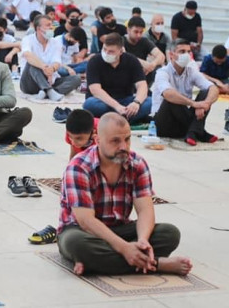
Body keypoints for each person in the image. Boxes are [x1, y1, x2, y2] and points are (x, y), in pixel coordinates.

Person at [57, 113, 192, 276]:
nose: (123, 146)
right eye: (115, 141)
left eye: (127, 139)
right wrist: (124, 248)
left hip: (120, 228)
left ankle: (97, 262)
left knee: (169, 233)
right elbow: (86, 221)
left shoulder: (137, 164)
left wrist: (142, 241)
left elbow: (145, 210)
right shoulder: (79, 167)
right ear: (98, 140)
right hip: (82, 231)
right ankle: (157, 264)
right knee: (76, 244)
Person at [152, 39, 219, 144]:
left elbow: (213, 88)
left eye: (188, 51)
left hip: (182, 121)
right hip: (165, 123)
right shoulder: (162, 72)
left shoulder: (191, 71)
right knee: (172, 98)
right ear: (171, 55)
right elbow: (167, 94)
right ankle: (199, 132)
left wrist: (205, 103)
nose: (186, 55)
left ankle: (193, 132)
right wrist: (194, 104)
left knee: (205, 92)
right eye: (182, 52)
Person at [83, 32, 152, 123]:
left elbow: (142, 85)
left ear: (121, 51)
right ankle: (126, 118)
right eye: (104, 49)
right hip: (103, 101)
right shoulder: (94, 61)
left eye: (111, 51)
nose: (106, 53)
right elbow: (95, 90)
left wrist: (136, 103)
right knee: (90, 104)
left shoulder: (132, 60)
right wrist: (117, 107)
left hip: (125, 100)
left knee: (150, 102)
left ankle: (115, 118)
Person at [19, 15, 81, 101]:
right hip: (30, 83)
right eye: (48, 25)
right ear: (38, 28)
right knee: (32, 63)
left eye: (51, 25)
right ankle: (49, 91)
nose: (51, 27)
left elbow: (57, 62)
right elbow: (28, 55)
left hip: (51, 80)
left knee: (76, 79)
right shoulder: (28, 39)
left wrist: (51, 69)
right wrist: (43, 67)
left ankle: (47, 92)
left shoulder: (56, 42)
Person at [123, 17, 165, 86]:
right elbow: (124, 55)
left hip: (141, 77)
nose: (139, 35)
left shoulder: (144, 41)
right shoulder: (121, 41)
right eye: (136, 32)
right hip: (125, 76)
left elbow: (161, 56)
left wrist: (152, 65)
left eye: (141, 32)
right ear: (128, 30)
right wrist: (142, 63)